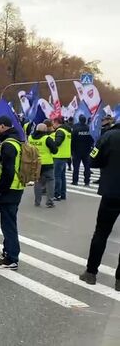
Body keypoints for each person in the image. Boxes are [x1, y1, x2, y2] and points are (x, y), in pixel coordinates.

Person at [79, 121, 120, 291]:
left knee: (101, 232)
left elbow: (93, 160)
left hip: (112, 191)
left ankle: (91, 273)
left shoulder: (109, 135)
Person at [0, 115, 26, 270]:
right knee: (9, 222)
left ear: (3, 126)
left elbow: (8, 171)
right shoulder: (14, 141)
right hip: (15, 187)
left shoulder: (8, 144)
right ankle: (8, 252)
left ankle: (12, 257)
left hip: (9, 190)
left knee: (8, 224)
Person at [28, 123, 58, 208]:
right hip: (47, 163)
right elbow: (55, 150)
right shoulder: (47, 138)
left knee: (37, 182)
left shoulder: (30, 138)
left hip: (35, 163)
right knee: (50, 181)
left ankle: (37, 201)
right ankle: (50, 202)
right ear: (45, 130)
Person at [51, 117, 71, 201]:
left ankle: (57, 194)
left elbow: (57, 143)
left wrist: (51, 143)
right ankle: (63, 194)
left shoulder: (60, 131)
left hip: (58, 156)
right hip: (65, 155)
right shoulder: (67, 131)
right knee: (62, 176)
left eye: (53, 123)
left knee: (57, 176)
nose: (52, 125)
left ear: (56, 122)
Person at [71, 115, 94, 186]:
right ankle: (87, 182)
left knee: (76, 167)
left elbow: (72, 141)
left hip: (77, 151)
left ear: (79, 120)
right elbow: (92, 140)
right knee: (87, 167)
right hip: (87, 151)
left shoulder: (75, 129)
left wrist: (72, 150)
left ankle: (75, 181)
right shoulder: (89, 129)